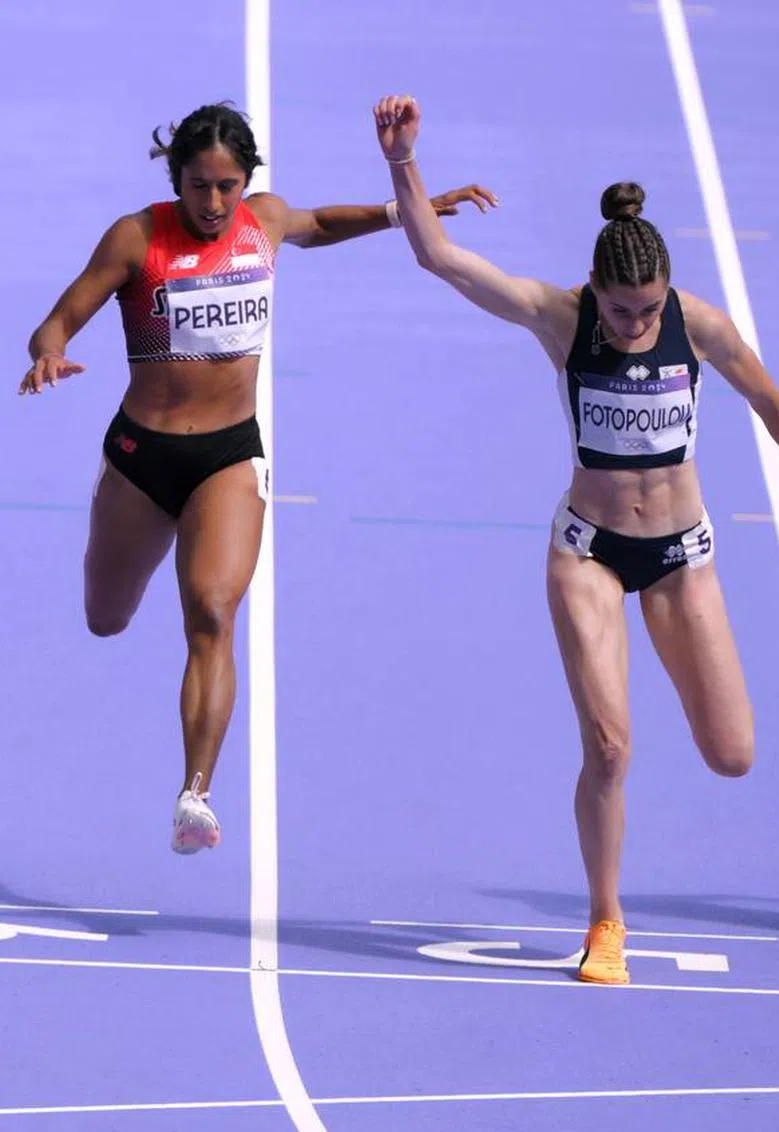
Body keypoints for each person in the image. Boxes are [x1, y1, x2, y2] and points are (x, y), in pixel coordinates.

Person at [372, 93, 779, 984]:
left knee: (733, 754)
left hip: (680, 557)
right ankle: (605, 923)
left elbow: (767, 395)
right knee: (610, 746)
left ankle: (613, 897)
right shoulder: (560, 317)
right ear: (596, 292)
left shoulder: (696, 324)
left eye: (647, 310)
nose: (635, 326)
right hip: (587, 549)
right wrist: (404, 163)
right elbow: (440, 256)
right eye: (623, 312)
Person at [19, 102, 495, 855]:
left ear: (247, 182)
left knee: (211, 610)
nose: (214, 204)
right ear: (177, 178)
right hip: (142, 460)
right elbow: (59, 318)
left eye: (228, 186)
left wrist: (410, 209)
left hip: (228, 458)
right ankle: (121, 579)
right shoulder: (136, 238)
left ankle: (195, 794)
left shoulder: (261, 222)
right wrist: (47, 353)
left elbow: (322, 224)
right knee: (104, 617)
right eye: (200, 186)